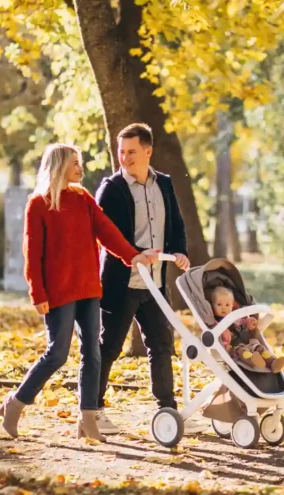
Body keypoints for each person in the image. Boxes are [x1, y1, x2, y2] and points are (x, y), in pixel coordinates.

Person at [0, 143, 157, 441]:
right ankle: (15, 404)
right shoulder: (39, 204)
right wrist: (38, 294)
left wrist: (132, 255)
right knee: (57, 354)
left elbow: (106, 230)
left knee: (92, 354)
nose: (80, 168)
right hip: (58, 293)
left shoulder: (82, 198)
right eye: (74, 163)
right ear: (59, 166)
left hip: (88, 289)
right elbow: (33, 254)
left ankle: (87, 421)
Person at [94, 123, 203, 434]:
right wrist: (139, 253)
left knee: (161, 344)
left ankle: (167, 411)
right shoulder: (112, 188)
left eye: (131, 152)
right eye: (121, 152)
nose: (124, 158)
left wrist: (178, 251)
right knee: (110, 345)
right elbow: (107, 236)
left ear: (147, 151)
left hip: (155, 282)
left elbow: (176, 225)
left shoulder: (164, 185)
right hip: (122, 281)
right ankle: (93, 410)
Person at [208, 285, 284, 372]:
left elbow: (244, 322)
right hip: (234, 348)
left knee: (260, 348)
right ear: (212, 306)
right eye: (219, 304)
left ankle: (273, 363)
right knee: (243, 352)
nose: (223, 307)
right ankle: (253, 361)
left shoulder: (236, 317)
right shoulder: (215, 323)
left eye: (227, 305)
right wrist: (222, 332)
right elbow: (216, 334)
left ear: (232, 306)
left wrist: (250, 322)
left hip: (248, 342)